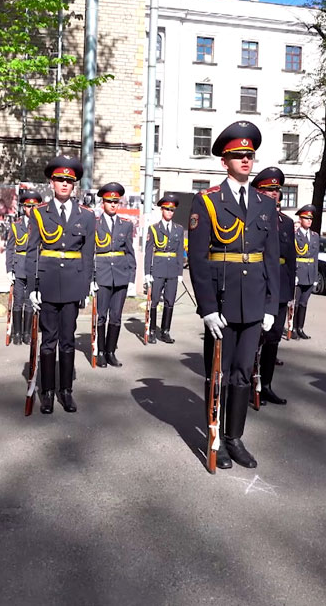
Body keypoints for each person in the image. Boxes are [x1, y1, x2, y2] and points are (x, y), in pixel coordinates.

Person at [187, 120, 278, 469]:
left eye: (249, 155)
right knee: (219, 373)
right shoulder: (207, 200)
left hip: (254, 303)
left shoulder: (264, 204)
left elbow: (270, 259)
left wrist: (271, 304)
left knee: (243, 372)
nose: (245, 161)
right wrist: (207, 308)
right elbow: (197, 259)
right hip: (222, 303)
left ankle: (234, 437)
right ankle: (214, 437)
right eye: (237, 155)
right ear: (224, 161)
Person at [25, 156, 95, 413]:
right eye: (59, 180)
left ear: (74, 184)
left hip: (74, 282)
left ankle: (66, 391)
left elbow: (88, 255)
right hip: (48, 283)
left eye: (69, 180)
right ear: (51, 183)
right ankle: (47, 392)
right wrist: (32, 286)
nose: (64, 184)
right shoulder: (39, 214)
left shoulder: (86, 216)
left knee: (68, 340)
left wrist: (86, 287)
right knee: (48, 341)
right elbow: (32, 251)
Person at [251, 167, 295, 406]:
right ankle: (247, 384)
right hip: (258, 283)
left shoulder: (286, 223)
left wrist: (291, 289)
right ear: (258, 191)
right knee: (253, 339)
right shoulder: (251, 217)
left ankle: (265, 384)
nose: (274, 194)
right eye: (268, 190)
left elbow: (291, 259)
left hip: (280, 287)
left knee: (273, 339)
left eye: (276, 190)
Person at [93, 182, 136, 368]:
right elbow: (90, 252)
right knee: (101, 315)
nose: (112, 204)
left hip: (121, 274)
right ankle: (101, 352)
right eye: (109, 201)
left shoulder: (125, 225)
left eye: (115, 201)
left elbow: (130, 251)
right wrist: (91, 278)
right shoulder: (94, 224)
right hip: (102, 274)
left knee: (116, 316)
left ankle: (111, 352)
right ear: (103, 202)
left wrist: (132, 278)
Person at [143, 192, 185, 344]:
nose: (169, 212)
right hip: (158, 269)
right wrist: (147, 272)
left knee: (170, 301)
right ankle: (152, 330)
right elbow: (148, 252)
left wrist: (180, 272)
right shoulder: (153, 228)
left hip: (173, 269)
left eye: (172, 210)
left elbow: (180, 251)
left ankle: (165, 331)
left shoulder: (179, 229)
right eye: (167, 209)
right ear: (162, 210)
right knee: (154, 301)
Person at [5, 189, 42, 346]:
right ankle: (17, 333)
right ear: (23, 207)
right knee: (18, 300)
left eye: (34, 207)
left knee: (29, 300)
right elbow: (10, 248)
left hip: (34, 267)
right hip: (19, 266)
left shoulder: (41, 225)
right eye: (28, 206)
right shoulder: (16, 225)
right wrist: (9, 268)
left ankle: (27, 333)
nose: (31, 210)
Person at [291, 205, 319, 340]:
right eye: (306, 218)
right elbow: (291, 256)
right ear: (300, 219)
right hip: (298, 272)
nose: (309, 221)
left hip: (309, 274)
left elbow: (315, 258)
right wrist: (293, 274)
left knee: (304, 303)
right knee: (295, 303)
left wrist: (315, 277)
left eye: (310, 219)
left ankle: (301, 328)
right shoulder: (294, 235)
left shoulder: (315, 236)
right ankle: (293, 328)